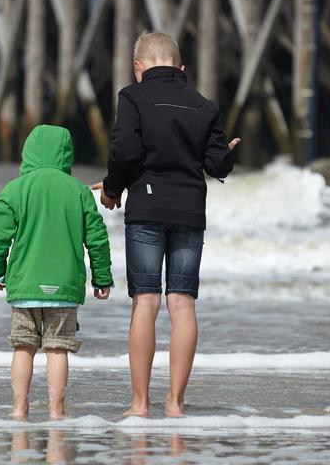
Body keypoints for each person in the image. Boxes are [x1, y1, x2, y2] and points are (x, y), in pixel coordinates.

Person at [92, 32, 239, 419]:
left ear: (138, 67)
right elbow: (216, 165)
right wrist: (227, 156)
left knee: (146, 301)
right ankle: (175, 403)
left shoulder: (132, 97)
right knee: (182, 302)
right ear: (181, 68)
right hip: (189, 210)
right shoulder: (204, 105)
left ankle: (140, 404)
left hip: (146, 205)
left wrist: (111, 189)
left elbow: (126, 152)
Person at [0, 124, 113, 421]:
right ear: (66, 154)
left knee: (23, 347)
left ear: (27, 152)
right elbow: (97, 238)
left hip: (25, 286)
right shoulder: (79, 191)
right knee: (58, 350)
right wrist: (102, 277)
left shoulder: (14, 190)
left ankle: (19, 407)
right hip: (65, 287)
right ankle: (57, 410)